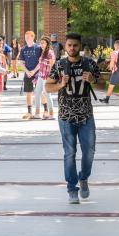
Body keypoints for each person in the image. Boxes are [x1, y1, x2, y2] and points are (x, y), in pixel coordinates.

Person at [46, 33, 100, 204]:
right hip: (66, 116)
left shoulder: (89, 63)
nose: (72, 48)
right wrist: (60, 85)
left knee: (89, 151)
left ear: (80, 46)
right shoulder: (60, 64)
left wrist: (93, 80)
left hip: (86, 115)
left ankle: (83, 178)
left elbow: (102, 84)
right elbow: (47, 86)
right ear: (65, 46)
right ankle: (71, 188)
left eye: (75, 45)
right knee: (69, 153)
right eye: (69, 45)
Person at [19, 31, 42, 119]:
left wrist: (34, 71)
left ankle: (44, 110)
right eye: (25, 37)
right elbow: (21, 62)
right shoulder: (23, 49)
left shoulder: (38, 48)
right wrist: (27, 71)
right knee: (28, 93)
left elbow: (41, 61)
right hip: (27, 74)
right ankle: (29, 112)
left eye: (28, 37)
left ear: (33, 37)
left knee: (40, 92)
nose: (26, 39)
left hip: (37, 73)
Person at [100, 40, 119, 105]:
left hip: (117, 71)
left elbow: (113, 61)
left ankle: (106, 99)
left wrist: (110, 68)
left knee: (111, 85)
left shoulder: (114, 52)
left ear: (115, 45)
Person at [33, 36, 56, 120]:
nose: (41, 44)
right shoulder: (42, 52)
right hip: (40, 76)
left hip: (46, 77)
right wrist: (33, 71)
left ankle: (51, 115)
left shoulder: (50, 52)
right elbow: (40, 64)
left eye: (43, 43)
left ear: (47, 44)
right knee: (37, 93)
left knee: (47, 95)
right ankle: (37, 113)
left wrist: (50, 78)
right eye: (40, 43)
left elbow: (52, 66)